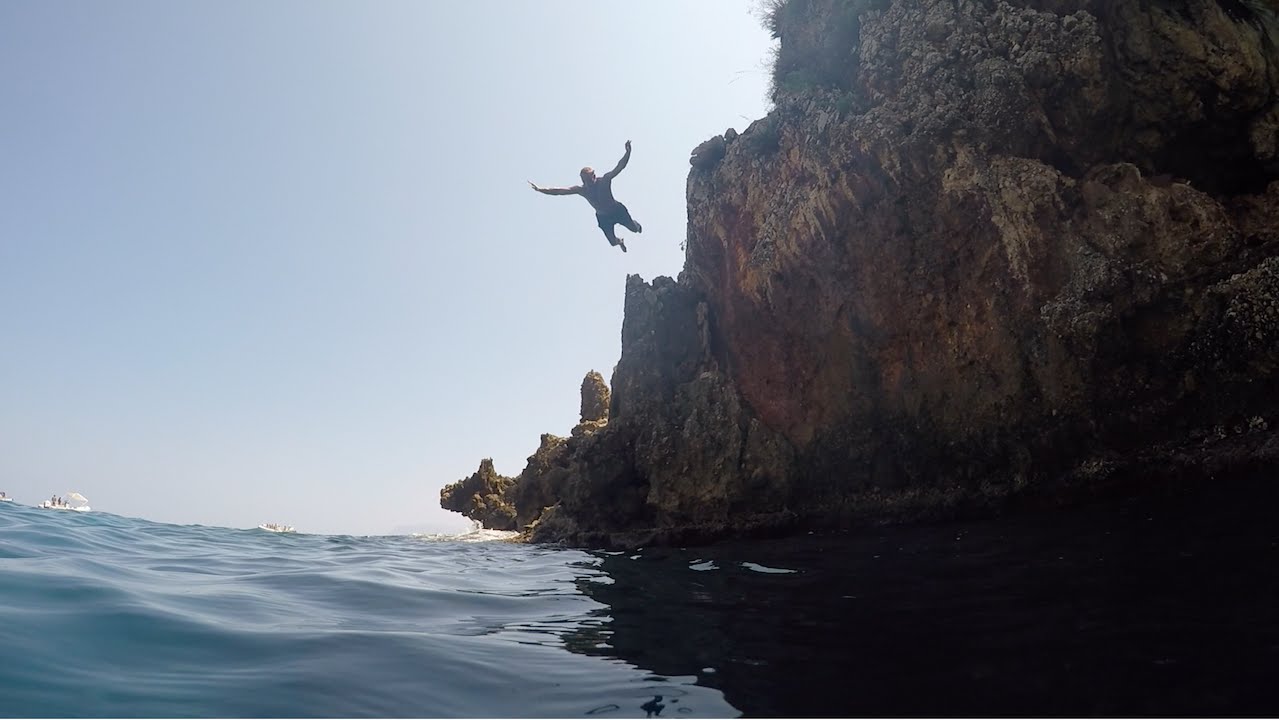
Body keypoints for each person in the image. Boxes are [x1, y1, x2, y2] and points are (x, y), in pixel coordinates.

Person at [529, 140, 642, 252]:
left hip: (616, 210)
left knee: (634, 229)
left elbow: (619, 167)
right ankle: (620, 241)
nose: (586, 183)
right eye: (584, 180)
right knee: (613, 243)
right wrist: (541, 189)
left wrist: (628, 152)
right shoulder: (581, 190)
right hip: (603, 217)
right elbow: (559, 191)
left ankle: (635, 223)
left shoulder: (605, 180)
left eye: (588, 180)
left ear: (594, 176)